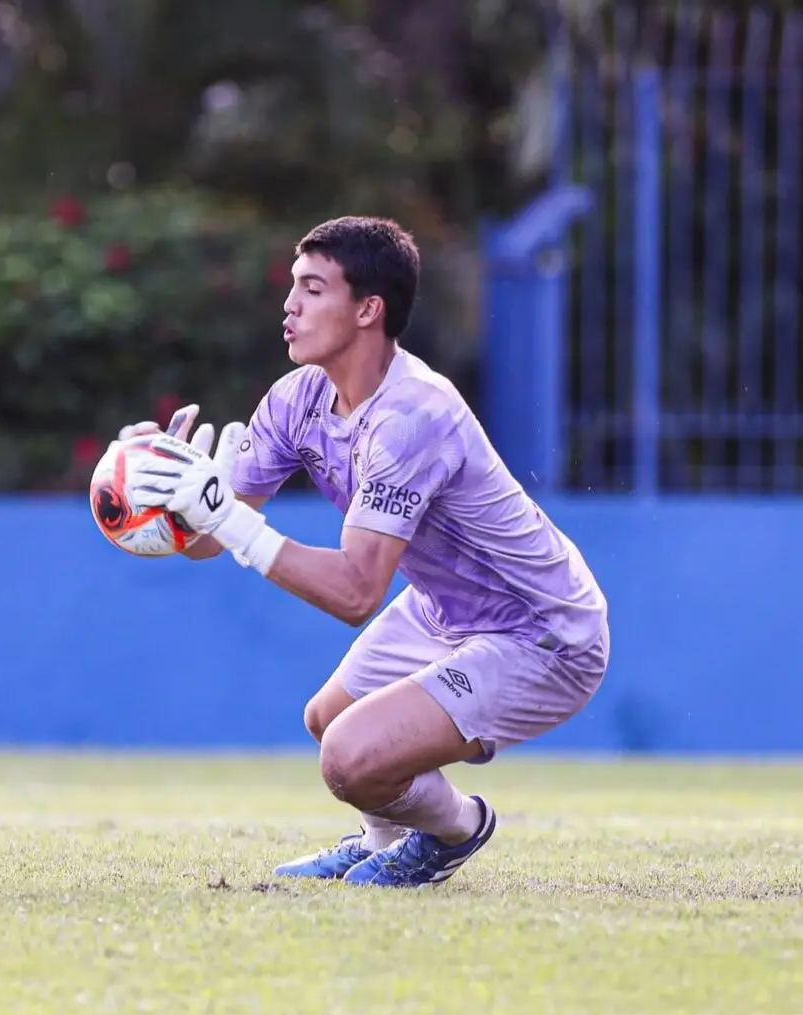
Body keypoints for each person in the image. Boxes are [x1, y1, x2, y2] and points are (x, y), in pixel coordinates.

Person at [120, 215, 610, 888]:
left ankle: (457, 828)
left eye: (312, 289)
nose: (289, 305)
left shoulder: (413, 416)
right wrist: (169, 496)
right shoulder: (297, 399)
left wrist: (228, 520)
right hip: (447, 610)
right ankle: (381, 841)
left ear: (367, 310)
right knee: (327, 719)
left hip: (543, 633)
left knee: (350, 758)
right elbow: (210, 538)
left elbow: (354, 594)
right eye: (293, 286)